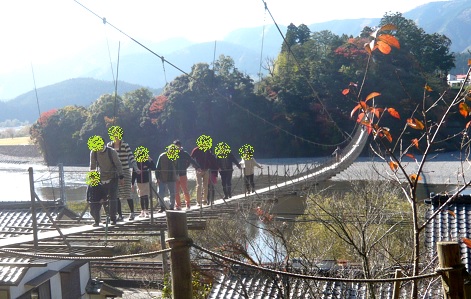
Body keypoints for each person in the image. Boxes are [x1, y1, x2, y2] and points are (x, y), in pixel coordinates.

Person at [88, 135, 124, 225]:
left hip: (112, 177)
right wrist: (92, 180)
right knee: (99, 199)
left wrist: (121, 177)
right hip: (100, 178)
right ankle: (99, 219)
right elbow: (92, 166)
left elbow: (118, 164)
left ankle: (113, 218)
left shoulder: (111, 152)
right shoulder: (94, 152)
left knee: (112, 199)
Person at [107, 126, 140, 221]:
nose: (116, 136)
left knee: (127, 192)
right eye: (114, 134)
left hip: (125, 170)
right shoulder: (109, 145)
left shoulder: (125, 145)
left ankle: (132, 213)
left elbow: (131, 157)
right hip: (114, 172)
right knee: (116, 194)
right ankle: (120, 215)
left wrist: (136, 168)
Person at [173, 140, 200, 210]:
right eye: (175, 147)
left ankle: (188, 204)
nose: (177, 148)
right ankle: (178, 205)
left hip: (183, 174)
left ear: (180, 146)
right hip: (175, 175)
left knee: (185, 190)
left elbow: (191, 160)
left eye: (178, 146)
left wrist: (198, 167)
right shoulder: (172, 154)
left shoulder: (184, 153)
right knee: (176, 191)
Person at [191, 135, 217, 206]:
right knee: (199, 186)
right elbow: (191, 159)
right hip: (199, 170)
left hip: (206, 170)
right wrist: (196, 167)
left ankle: (205, 200)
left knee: (205, 186)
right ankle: (198, 201)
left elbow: (211, 159)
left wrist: (214, 167)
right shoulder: (196, 150)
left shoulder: (207, 150)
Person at [132, 146, 156, 218]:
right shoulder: (136, 163)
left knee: (146, 196)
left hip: (146, 181)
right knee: (141, 196)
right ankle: (142, 211)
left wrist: (151, 160)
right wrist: (132, 184)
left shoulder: (147, 162)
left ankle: (146, 211)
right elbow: (133, 174)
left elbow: (154, 168)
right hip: (139, 182)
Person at [155, 144, 178, 211]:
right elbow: (157, 168)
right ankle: (162, 206)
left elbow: (177, 167)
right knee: (160, 193)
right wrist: (157, 178)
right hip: (162, 177)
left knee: (172, 193)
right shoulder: (162, 156)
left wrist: (177, 175)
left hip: (172, 178)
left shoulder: (175, 157)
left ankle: (171, 206)